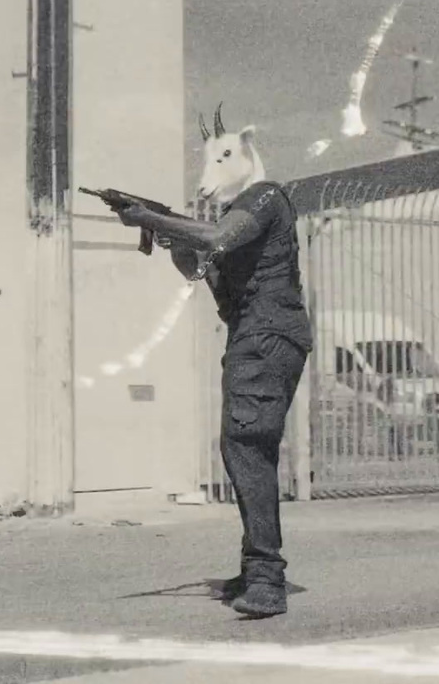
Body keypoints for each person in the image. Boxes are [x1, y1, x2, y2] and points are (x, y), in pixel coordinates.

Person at [116, 112, 313, 619]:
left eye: (224, 155)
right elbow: (200, 266)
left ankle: (266, 578)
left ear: (246, 157)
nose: (211, 169)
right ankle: (257, 569)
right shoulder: (234, 220)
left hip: (267, 336)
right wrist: (172, 240)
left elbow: (216, 239)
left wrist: (152, 220)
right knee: (243, 446)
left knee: (246, 445)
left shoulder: (265, 197)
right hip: (253, 336)